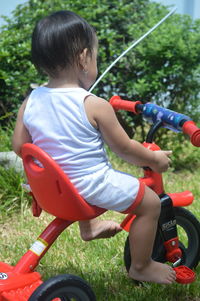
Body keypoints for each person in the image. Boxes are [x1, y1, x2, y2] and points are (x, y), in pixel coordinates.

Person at [12, 10, 176, 284]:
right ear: (83, 58)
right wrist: (155, 159)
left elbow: (20, 146)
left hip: (54, 192)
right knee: (149, 204)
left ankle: (88, 229)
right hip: (87, 188)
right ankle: (142, 265)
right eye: (96, 56)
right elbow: (126, 150)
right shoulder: (94, 105)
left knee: (73, 168)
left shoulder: (31, 100)